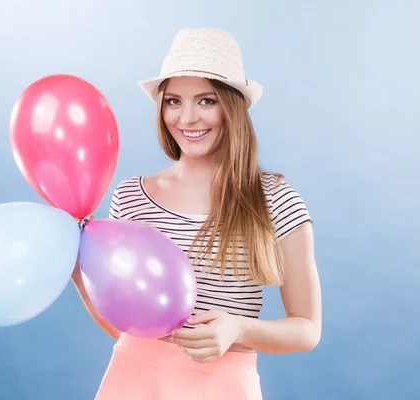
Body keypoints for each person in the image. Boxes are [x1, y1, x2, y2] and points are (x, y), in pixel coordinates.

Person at [71, 28, 322, 400]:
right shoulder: (130, 198)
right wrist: (78, 273)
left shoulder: (275, 200)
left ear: (232, 107)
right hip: (133, 380)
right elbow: (127, 327)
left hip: (222, 387)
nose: (187, 118)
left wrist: (238, 329)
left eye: (206, 101)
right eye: (173, 101)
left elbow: (307, 329)